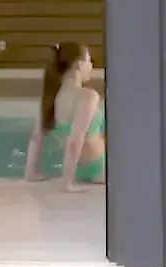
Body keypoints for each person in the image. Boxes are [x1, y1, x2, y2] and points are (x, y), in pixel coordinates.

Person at [24, 42, 106, 192]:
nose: (91, 65)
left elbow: (37, 137)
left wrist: (31, 172)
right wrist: (66, 184)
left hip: (80, 169)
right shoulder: (87, 96)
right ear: (79, 64)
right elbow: (75, 140)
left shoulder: (52, 97)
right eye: (89, 60)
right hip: (100, 167)